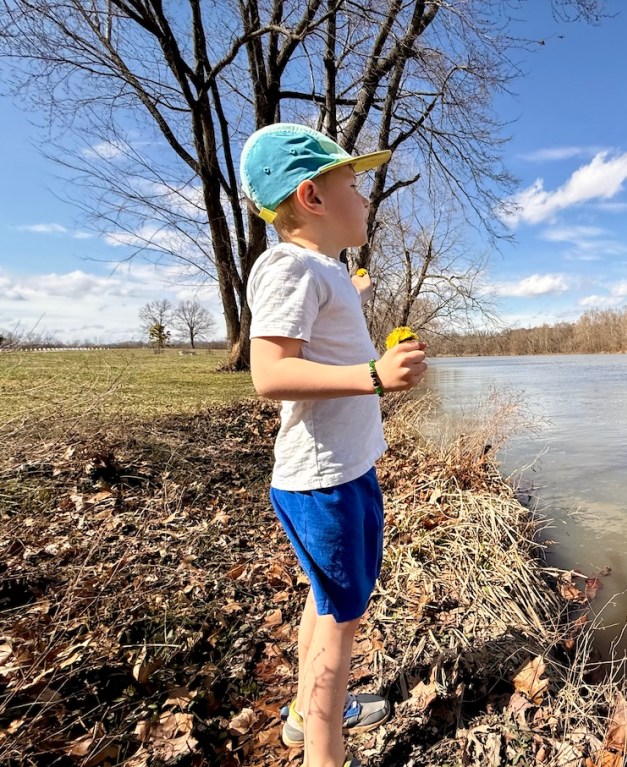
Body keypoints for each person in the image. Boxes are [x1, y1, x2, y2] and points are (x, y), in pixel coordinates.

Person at [241, 123, 428, 767]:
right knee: (343, 620)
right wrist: (373, 375)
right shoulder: (287, 266)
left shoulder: (319, 269)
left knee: (328, 604)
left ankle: (303, 716)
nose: (366, 197)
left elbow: (326, 304)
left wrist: (357, 291)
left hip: (344, 470)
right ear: (312, 198)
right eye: (354, 184)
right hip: (324, 480)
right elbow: (269, 373)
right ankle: (326, 753)